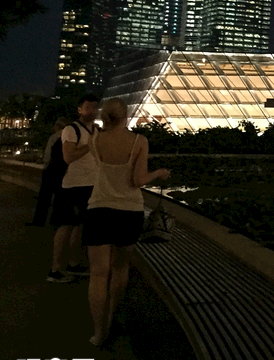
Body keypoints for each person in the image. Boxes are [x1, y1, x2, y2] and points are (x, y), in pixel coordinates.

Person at [84, 98, 169, 346]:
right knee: (120, 270)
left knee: (98, 275)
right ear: (126, 115)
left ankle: (99, 333)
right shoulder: (139, 141)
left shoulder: (94, 140)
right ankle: (112, 319)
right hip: (128, 212)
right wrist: (159, 173)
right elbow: (138, 180)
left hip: (98, 210)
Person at [49, 95, 100, 282]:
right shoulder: (71, 130)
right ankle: (55, 269)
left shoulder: (96, 130)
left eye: (95, 107)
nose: (92, 111)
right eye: (88, 107)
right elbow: (68, 157)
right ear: (79, 109)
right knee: (66, 226)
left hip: (90, 184)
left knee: (79, 226)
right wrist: (90, 145)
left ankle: (73, 264)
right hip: (71, 185)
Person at [27, 117, 70, 227]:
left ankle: (39, 221)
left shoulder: (54, 137)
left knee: (44, 197)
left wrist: (45, 164)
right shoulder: (69, 137)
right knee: (59, 197)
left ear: (57, 126)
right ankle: (55, 221)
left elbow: (48, 155)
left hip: (51, 169)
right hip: (63, 170)